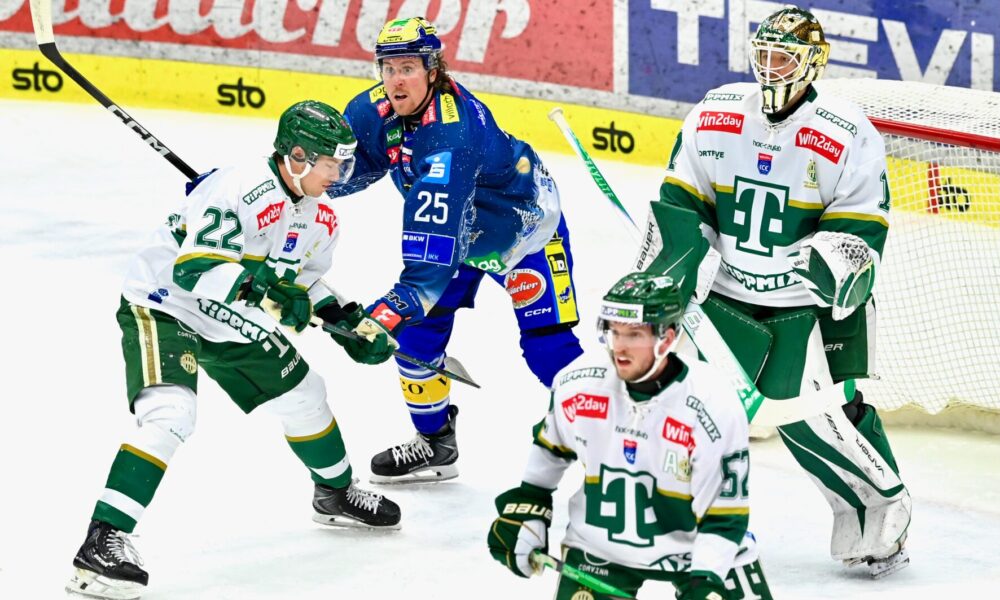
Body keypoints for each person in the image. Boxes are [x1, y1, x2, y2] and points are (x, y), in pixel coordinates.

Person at [67, 100, 402, 600]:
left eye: (342, 164)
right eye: (331, 164)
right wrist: (266, 291)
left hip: (229, 316)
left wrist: (348, 321)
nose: (339, 175)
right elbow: (191, 271)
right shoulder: (239, 187)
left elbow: (304, 283)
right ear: (297, 157)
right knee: (172, 413)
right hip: (167, 305)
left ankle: (334, 494)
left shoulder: (320, 217)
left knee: (306, 394)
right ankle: (102, 541)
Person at [636, 6, 910, 578]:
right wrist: (675, 266)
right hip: (723, 298)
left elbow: (863, 224)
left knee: (819, 418)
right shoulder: (716, 114)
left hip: (801, 307)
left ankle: (883, 510)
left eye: (783, 57)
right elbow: (683, 201)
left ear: (812, 63)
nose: (769, 67)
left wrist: (834, 262)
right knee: (688, 406)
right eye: (762, 54)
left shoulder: (845, 131)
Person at [328, 16, 584, 483]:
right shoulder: (373, 110)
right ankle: (435, 443)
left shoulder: (452, 138)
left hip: (524, 233)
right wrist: (274, 187)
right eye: (388, 68)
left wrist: (385, 313)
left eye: (408, 68)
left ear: (433, 70)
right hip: (459, 237)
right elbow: (338, 173)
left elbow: (431, 261)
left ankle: (616, 445)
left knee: (547, 348)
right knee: (415, 335)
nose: (395, 80)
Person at [487, 272, 772, 600]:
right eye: (614, 332)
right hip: (601, 548)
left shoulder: (712, 402)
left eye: (634, 334)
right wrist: (530, 503)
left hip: (700, 550)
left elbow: (724, 514)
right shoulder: (579, 383)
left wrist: (707, 580)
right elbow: (552, 446)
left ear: (666, 338)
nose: (620, 347)